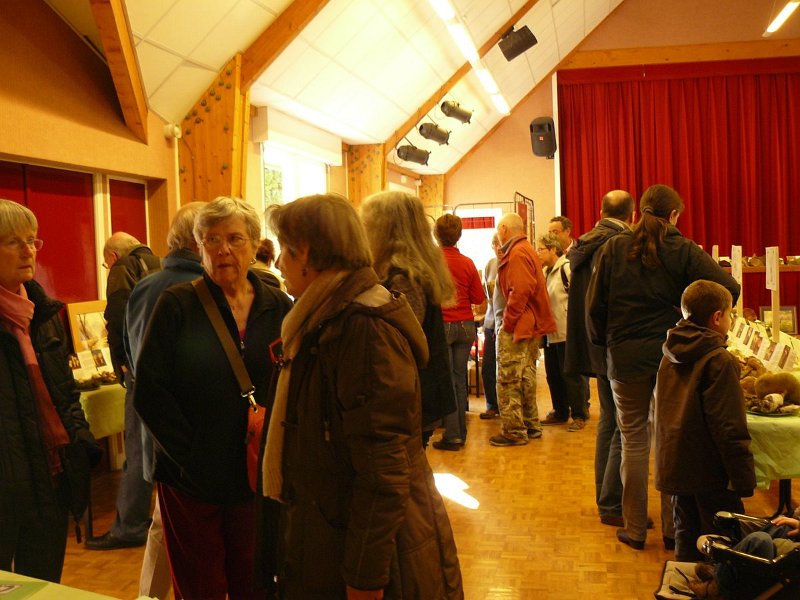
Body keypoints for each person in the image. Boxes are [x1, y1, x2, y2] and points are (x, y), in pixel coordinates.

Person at [264, 193, 463, 599]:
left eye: (286, 250)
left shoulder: (362, 329)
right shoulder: (324, 316)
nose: (279, 262)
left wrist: (364, 578)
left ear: (311, 255)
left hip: (377, 559)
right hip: (333, 530)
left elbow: (383, 474)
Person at [134, 196, 292, 599]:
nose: (223, 250)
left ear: (255, 243)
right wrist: (190, 458)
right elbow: (150, 392)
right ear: (199, 246)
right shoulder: (178, 306)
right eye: (211, 240)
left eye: (235, 239)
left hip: (255, 473)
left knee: (253, 578)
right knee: (200, 583)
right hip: (191, 478)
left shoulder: (279, 307)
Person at [587, 184, 740, 551]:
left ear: (638, 212)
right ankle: (674, 530)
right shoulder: (683, 249)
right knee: (668, 442)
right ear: (674, 216)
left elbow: (594, 309)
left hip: (623, 357)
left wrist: (604, 346)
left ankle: (635, 529)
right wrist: (690, 316)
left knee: (633, 442)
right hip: (671, 358)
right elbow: (728, 288)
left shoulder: (613, 248)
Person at [0, 199, 100, 582]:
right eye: (13, 242)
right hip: (7, 488)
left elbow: (65, 393)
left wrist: (79, 440)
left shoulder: (42, 314)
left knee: (43, 587)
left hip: (52, 479)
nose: (28, 251)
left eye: (32, 240)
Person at [123, 202, 205, 599]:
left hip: (154, 424)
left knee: (163, 519)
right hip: (191, 427)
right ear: (199, 239)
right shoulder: (201, 289)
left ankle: (148, 597)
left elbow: (129, 353)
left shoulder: (144, 284)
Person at [655, 280, 755, 561]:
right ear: (717, 317)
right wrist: (743, 478)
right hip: (710, 471)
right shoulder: (719, 360)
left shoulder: (669, 352)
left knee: (686, 537)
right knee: (722, 548)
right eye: (731, 313)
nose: (731, 320)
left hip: (677, 465)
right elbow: (729, 427)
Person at [361, 191, 457, 448]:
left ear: (385, 229)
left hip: (411, 398)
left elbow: (400, 345)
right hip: (414, 395)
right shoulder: (408, 272)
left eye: (367, 224)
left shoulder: (404, 278)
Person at [563, 190, 634, 528]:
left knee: (609, 422)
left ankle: (606, 501)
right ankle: (612, 503)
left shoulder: (584, 244)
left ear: (601, 211)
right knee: (623, 426)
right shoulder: (619, 244)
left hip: (593, 345)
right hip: (615, 346)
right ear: (632, 215)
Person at [88, 231, 161, 550]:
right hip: (162, 371)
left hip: (138, 370)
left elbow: (117, 316)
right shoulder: (158, 263)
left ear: (113, 257)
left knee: (136, 449)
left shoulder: (122, 269)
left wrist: (120, 360)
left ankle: (130, 525)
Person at [490, 213, 555, 446]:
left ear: (505, 229)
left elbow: (520, 290)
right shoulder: (525, 248)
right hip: (529, 325)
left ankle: (514, 432)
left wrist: (507, 322)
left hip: (518, 325)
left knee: (508, 379)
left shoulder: (516, 252)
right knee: (525, 376)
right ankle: (530, 424)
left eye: (498, 229)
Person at [433, 214, 486, 451]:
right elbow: (478, 299)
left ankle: (451, 433)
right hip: (465, 324)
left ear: (436, 234)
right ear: (459, 235)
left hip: (441, 324)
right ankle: (459, 432)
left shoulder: (430, 261)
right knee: (459, 378)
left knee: (444, 379)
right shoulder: (467, 262)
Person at [536, 233, 588, 431]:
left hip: (566, 331)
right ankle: (560, 412)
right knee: (553, 375)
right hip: (550, 333)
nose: (538, 253)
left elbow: (577, 298)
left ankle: (579, 415)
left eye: (541, 249)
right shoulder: (546, 271)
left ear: (552, 249)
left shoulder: (566, 268)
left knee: (571, 376)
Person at [479, 234, 502, 420]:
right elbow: (485, 292)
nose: (496, 246)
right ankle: (492, 405)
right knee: (488, 367)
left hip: (506, 323)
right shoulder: (490, 264)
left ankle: (506, 405)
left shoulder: (514, 261)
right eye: (493, 243)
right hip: (490, 321)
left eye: (498, 242)